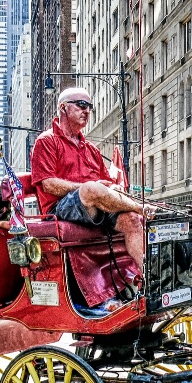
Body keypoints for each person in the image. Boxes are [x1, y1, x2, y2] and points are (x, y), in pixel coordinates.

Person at [30, 86, 151, 275]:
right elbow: (48, 184)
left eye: (89, 106)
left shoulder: (91, 149)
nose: (86, 110)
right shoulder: (46, 141)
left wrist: (114, 187)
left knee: (133, 220)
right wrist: (87, 188)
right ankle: (141, 207)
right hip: (59, 209)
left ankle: (147, 276)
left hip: (96, 206)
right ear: (63, 108)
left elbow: (107, 183)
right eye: (81, 105)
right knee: (90, 189)